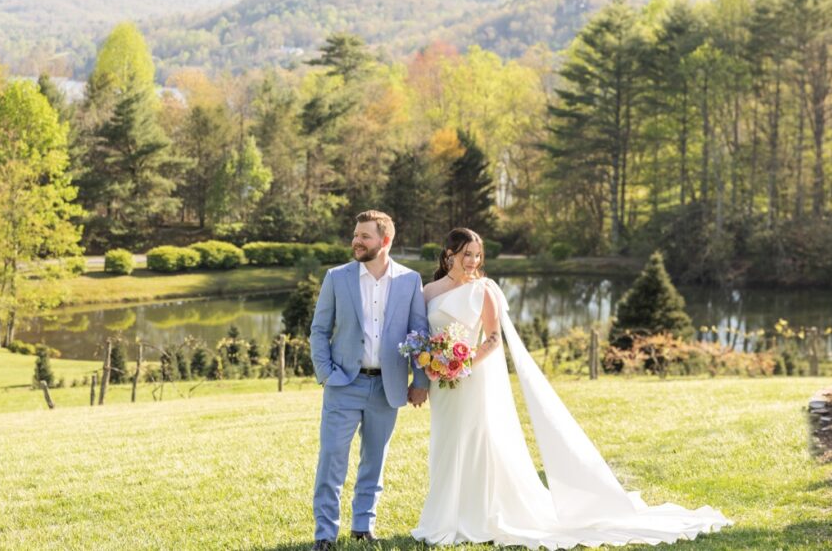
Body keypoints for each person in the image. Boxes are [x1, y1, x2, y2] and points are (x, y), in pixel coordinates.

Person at [412, 227, 731, 548]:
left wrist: (463, 364)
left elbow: (494, 339)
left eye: (477, 255)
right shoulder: (429, 291)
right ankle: (445, 515)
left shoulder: (484, 290)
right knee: (446, 443)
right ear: (449, 254)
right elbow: (423, 337)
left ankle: (475, 517)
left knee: (475, 442)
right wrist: (433, 365)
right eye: (466, 254)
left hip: (472, 378)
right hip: (443, 384)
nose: (473, 261)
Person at [309, 210, 430, 551]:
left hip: (387, 386)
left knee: (374, 460)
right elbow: (319, 330)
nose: (356, 241)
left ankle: (363, 526)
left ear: (385, 240)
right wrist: (326, 373)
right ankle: (325, 534)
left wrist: (420, 380)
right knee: (332, 460)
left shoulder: (409, 280)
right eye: (355, 235)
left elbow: (419, 332)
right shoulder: (337, 277)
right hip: (344, 384)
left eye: (364, 236)